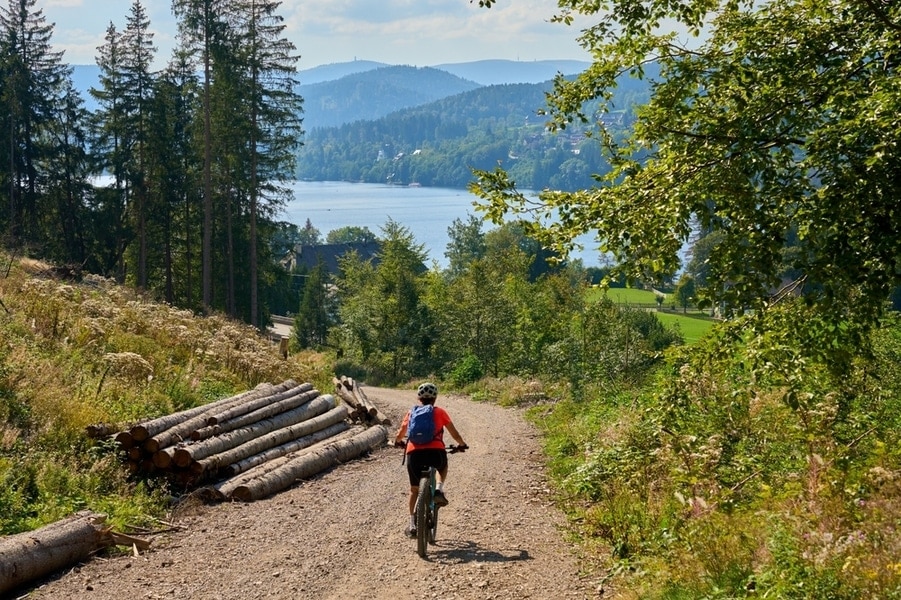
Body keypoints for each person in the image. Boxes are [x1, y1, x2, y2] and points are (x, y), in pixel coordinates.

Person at [394, 382, 467, 537]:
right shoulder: (440, 412)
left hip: (414, 454)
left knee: (414, 490)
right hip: (435, 451)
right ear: (435, 398)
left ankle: (412, 524)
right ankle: (439, 489)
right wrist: (461, 444)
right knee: (442, 467)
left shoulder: (411, 412)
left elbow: (401, 432)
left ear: (419, 398)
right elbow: (454, 433)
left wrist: (398, 441)